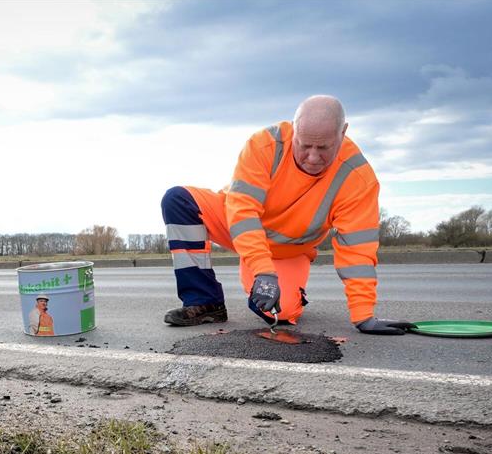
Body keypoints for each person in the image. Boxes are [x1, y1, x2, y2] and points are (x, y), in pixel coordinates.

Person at [160, 95, 413, 335]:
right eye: (304, 146)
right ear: (294, 129)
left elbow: (357, 251)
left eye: (324, 147)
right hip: (237, 225)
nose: (313, 158)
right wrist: (263, 270)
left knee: (279, 313)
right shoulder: (264, 146)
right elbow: (243, 211)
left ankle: (285, 292)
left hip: (288, 249)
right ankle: (205, 302)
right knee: (178, 200)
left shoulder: (357, 178)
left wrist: (363, 315)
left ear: (343, 132)